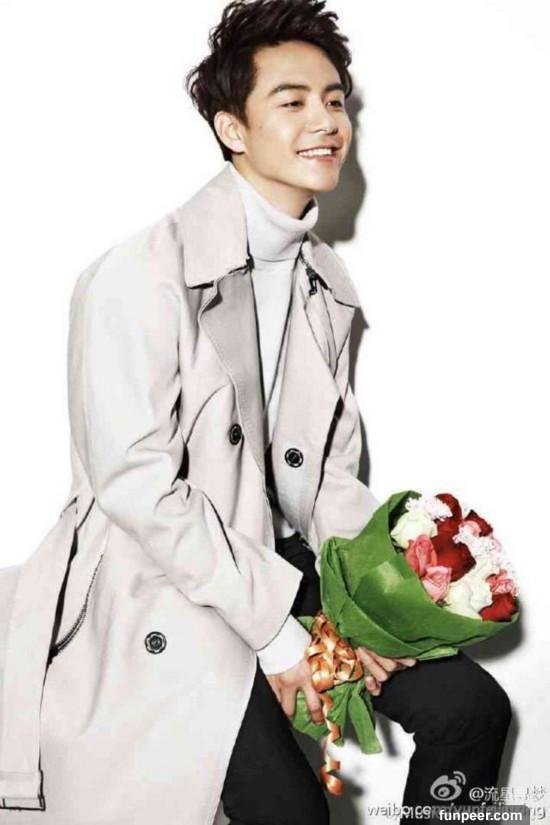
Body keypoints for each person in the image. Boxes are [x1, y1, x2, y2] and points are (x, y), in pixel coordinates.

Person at [183, 2, 513, 824]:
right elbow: (138, 490)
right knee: (293, 812)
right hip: (174, 586)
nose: (327, 121)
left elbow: (327, 472)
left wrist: (370, 602)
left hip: (287, 567)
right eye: (292, 100)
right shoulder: (142, 274)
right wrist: (281, 637)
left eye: (334, 100)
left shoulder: (324, 285)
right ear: (231, 127)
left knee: (471, 710)